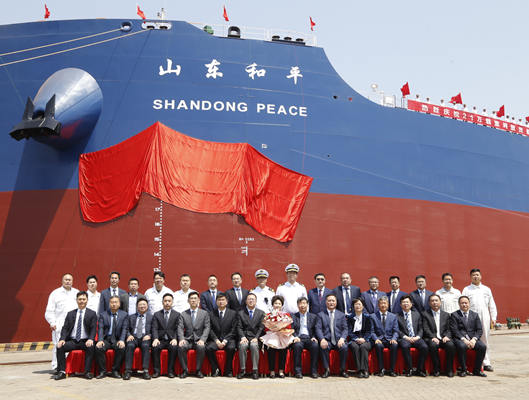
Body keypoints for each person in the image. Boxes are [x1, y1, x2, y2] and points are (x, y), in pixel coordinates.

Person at [53, 291, 97, 380]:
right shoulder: (70, 314)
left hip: (85, 341)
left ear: (87, 300)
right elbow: (65, 328)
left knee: (91, 347)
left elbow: (93, 328)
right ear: (76, 300)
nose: (82, 301)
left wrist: (91, 339)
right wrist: (62, 339)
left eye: (84, 299)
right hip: (73, 341)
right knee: (59, 347)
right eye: (80, 299)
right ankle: (62, 371)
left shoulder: (92, 313)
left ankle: (87, 372)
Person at [462, 268, 497, 372]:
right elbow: (462, 303)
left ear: (481, 276)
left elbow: (492, 304)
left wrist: (493, 317)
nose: (475, 277)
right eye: (473, 275)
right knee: (471, 339)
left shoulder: (486, 289)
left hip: (484, 317)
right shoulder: (466, 290)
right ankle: (474, 363)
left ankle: (486, 363)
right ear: (470, 277)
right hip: (471, 317)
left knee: (485, 339)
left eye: (477, 275)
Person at [45, 273, 79, 372]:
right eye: (66, 280)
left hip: (74, 326)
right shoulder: (55, 294)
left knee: (72, 346)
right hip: (60, 325)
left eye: (70, 280)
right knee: (58, 346)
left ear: (72, 281)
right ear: (62, 281)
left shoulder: (76, 292)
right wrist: (52, 323)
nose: (68, 281)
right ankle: (57, 367)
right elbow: (49, 310)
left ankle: (70, 367)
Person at [450, 295, 487, 377]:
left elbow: (479, 330)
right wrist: (464, 339)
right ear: (459, 304)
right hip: (460, 338)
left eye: (466, 303)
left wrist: (474, 339)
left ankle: (477, 370)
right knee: (462, 346)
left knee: (482, 347)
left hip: (472, 338)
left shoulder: (475, 315)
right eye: (462, 303)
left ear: (469, 304)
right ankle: (463, 370)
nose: (464, 305)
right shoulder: (454, 315)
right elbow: (454, 330)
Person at [177, 291, 211, 378]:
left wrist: (202, 340)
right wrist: (181, 339)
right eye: (191, 298)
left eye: (195, 298)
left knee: (201, 347)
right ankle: (185, 370)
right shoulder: (183, 314)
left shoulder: (204, 313)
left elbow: (207, 327)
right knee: (181, 347)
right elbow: (180, 327)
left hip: (199, 339)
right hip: (187, 340)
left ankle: (198, 370)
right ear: (188, 301)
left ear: (198, 300)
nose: (193, 300)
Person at [95, 296, 129, 379]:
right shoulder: (103, 315)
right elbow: (101, 328)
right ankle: (102, 371)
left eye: (116, 302)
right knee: (99, 348)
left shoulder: (124, 315)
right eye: (112, 302)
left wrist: (122, 340)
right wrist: (100, 340)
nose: (114, 304)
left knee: (121, 348)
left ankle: (115, 371)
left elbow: (125, 328)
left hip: (117, 339)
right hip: (106, 339)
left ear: (119, 304)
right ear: (109, 304)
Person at [422, 294, 456, 377]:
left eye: (436, 300)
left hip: (443, 338)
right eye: (432, 301)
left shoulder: (446, 314)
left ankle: (449, 369)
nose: (434, 302)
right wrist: (432, 337)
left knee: (450, 345)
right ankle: (436, 369)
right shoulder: (425, 314)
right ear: (429, 303)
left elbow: (449, 328)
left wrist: (447, 336)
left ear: (440, 302)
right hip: (432, 338)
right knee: (433, 345)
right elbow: (425, 328)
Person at [316, 293, 349, 378]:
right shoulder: (320, 315)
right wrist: (322, 339)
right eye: (329, 301)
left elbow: (345, 329)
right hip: (327, 340)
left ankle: (342, 370)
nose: (331, 302)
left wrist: (342, 338)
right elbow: (318, 329)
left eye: (333, 301)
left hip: (338, 340)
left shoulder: (341, 315)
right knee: (323, 347)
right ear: (326, 302)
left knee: (344, 347)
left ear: (336, 302)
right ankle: (326, 370)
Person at [261, 295, 294, 378]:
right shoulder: (268, 315)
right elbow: (265, 327)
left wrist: (281, 328)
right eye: (275, 303)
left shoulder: (286, 315)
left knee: (283, 350)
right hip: (272, 334)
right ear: (272, 304)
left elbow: (289, 326)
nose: (277, 305)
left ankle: (281, 371)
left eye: (279, 303)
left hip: (282, 335)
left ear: (282, 305)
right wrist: (273, 328)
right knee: (271, 350)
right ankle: (272, 371)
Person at [206, 292, 238, 377]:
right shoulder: (211, 314)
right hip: (215, 339)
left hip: (228, 339)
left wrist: (225, 340)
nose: (221, 302)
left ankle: (228, 370)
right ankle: (216, 369)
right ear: (216, 302)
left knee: (231, 348)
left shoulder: (233, 313)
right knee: (208, 348)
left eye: (223, 300)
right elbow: (209, 329)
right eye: (219, 300)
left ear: (226, 302)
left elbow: (234, 329)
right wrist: (216, 340)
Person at [397, 295, 428, 377]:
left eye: (407, 302)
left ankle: (419, 369)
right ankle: (409, 369)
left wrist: (417, 337)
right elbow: (397, 330)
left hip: (416, 337)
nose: (405, 304)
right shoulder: (397, 316)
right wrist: (405, 337)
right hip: (404, 338)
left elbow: (421, 328)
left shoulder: (417, 314)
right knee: (405, 346)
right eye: (403, 302)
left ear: (411, 304)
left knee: (424, 347)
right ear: (400, 305)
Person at [151, 293, 180, 378]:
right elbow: (154, 328)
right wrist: (155, 338)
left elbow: (178, 328)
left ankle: (170, 371)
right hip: (160, 339)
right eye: (165, 301)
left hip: (171, 339)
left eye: (169, 301)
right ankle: (157, 371)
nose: (167, 303)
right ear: (162, 302)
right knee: (155, 347)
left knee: (174, 348)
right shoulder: (157, 314)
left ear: (172, 302)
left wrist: (175, 338)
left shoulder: (177, 314)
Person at [237, 293, 265, 379]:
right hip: (245, 337)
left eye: (253, 299)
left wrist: (256, 338)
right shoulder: (241, 313)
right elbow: (239, 327)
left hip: (255, 337)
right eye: (249, 299)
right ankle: (242, 370)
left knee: (254, 345)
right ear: (246, 301)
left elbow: (261, 328)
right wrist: (242, 337)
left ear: (256, 301)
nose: (251, 301)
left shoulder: (261, 313)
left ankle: (255, 371)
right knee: (243, 345)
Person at [123, 298, 152, 380]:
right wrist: (129, 335)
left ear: (147, 306)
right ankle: (128, 371)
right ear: (137, 306)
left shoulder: (151, 317)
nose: (142, 306)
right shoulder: (131, 317)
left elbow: (155, 329)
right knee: (130, 345)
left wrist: (149, 335)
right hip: (134, 337)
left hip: (145, 337)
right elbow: (126, 328)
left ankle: (145, 371)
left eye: (144, 304)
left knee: (146, 346)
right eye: (140, 305)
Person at [291, 297, 319, 379]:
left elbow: (316, 329)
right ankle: (298, 372)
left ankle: (314, 371)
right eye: (300, 303)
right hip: (299, 338)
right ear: (297, 305)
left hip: (309, 338)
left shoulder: (313, 316)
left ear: (307, 305)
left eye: (304, 303)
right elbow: (291, 329)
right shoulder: (293, 316)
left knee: (315, 346)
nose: (302, 305)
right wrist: (295, 337)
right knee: (297, 346)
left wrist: (314, 337)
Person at [370, 296, 399, 377]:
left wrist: (394, 339)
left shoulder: (393, 316)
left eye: (385, 303)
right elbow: (371, 331)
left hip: (390, 339)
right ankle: (381, 369)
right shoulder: (373, 316)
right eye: (381, 303)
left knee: (395, 345)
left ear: (388, 305)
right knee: (378, 346)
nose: (383, 305)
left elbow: (396, 331)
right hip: (379, 339)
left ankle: (392, 370)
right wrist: (375, 339)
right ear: (378, 305)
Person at [347, 298, 373, 378]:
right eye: (356, 304)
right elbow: (349, 331)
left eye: (359, 304)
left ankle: (365, 370)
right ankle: (359, 370)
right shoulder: (350, 317)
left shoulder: (367, 317)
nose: (358, 306)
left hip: (366, 339)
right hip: (354, 339)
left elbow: (369, 331)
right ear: (353, 306)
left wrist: (364, 339)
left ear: (363, 306)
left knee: (363, 346)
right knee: (355, 347)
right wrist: (356, 339)